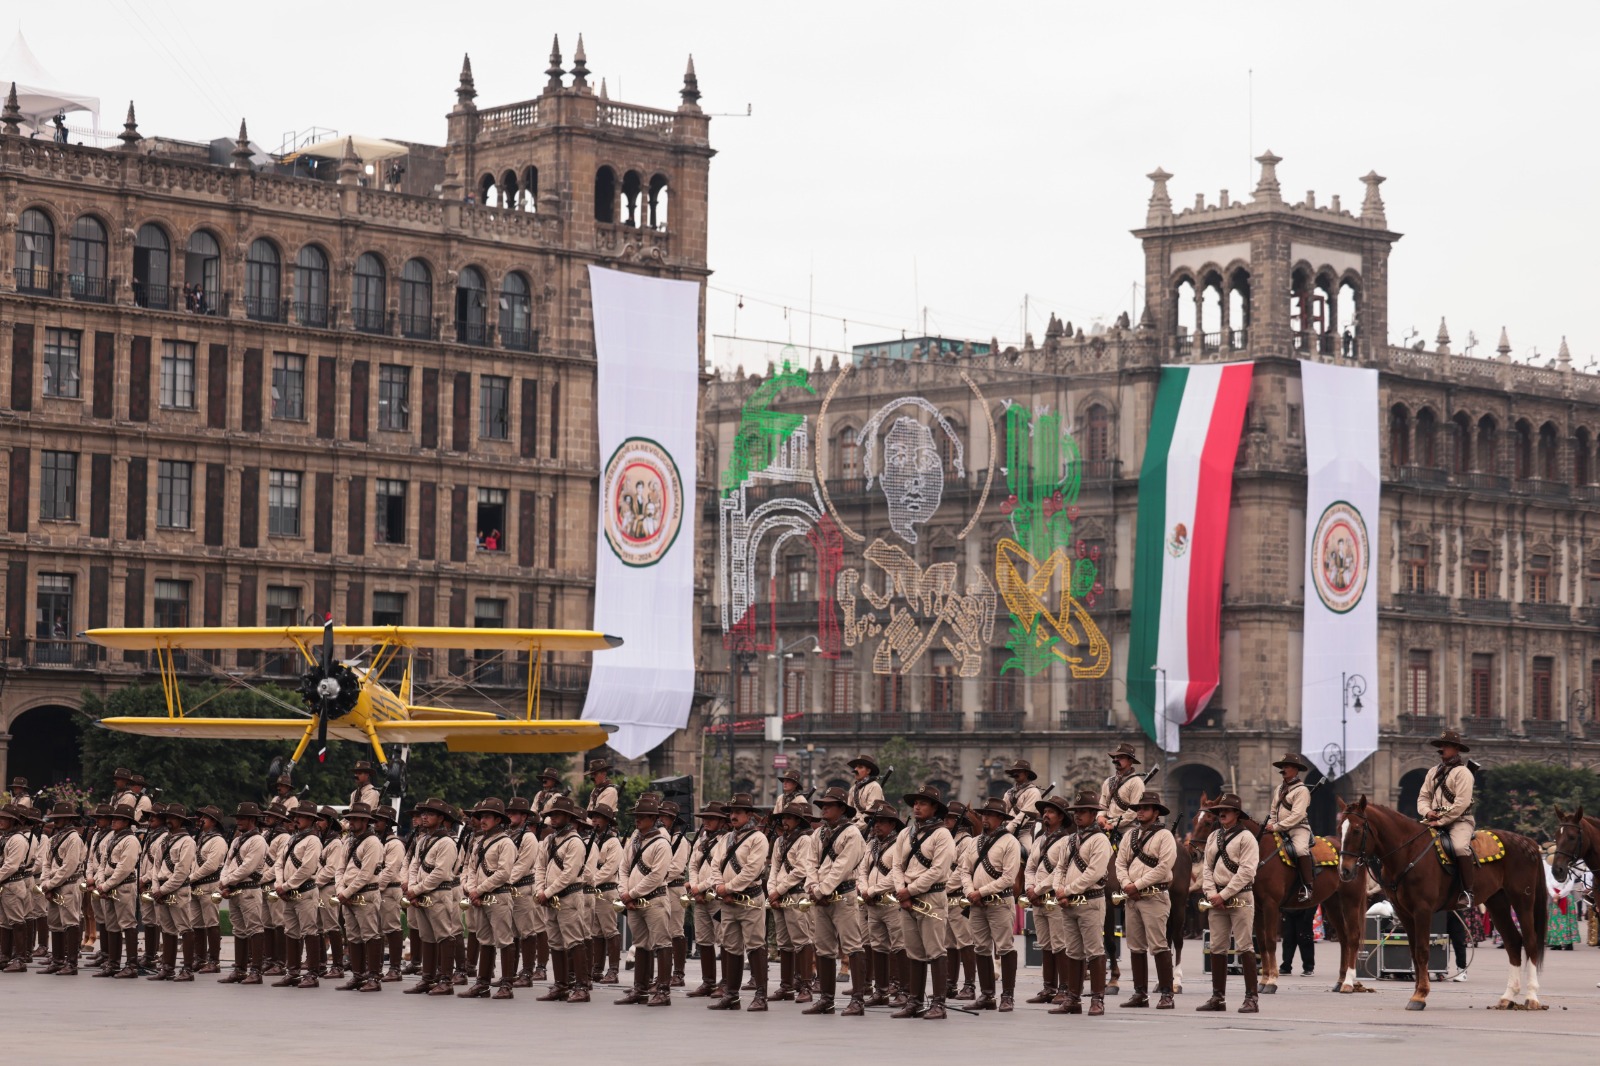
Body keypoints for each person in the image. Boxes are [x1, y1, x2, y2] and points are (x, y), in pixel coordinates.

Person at [892, 783, 955, 1020]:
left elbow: (938, 870)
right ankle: (915, 1002)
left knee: (936, 950)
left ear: (934, 808)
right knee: (914, 952)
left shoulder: (942, 834)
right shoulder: (904, 833)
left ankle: (939, 1004)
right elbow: (896, 866)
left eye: (923, 803)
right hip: (907, 897)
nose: (917, 807)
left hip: (932, 896)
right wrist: (901, 890)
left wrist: (910, 891)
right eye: (915, 803)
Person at [1050, 790, 1114, 1016]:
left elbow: (1093, 874)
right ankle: (1073, 998)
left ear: (1093, 813)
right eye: (1076, 812)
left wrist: (1066, 890)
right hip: (1068, 903)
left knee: (1095, 951)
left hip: (1090, 901)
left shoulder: (1100, 841)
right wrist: (1059, 889)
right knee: (1074, 952)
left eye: (1084, 812)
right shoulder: (1070, 840)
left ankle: (1097, 999)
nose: (1078, 816)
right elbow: (1060, 867)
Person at [804, 786, 867, 1016]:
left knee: (852, 946)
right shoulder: (818, 834)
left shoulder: (852, 834)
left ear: (841, 809)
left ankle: (858, 1000)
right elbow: (809, 863)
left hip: (843, 895)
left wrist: (820, 890)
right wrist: (812, 887)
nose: (823, 809)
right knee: (823, 948)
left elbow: (842, 867)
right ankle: (826, 999)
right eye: (822, 805)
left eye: (828, 806)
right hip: (820, 896)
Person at [1114, 790, 1178, 1008]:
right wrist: (1125, 884)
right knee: (1135, 947)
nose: (1140, 812)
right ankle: (1139, 993)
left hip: (1154, 896)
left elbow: (1163, 867)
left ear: (1156, 812)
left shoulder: (1165, 836)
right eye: (1138, 808)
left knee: (1159, 946)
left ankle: (1166, 994)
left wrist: (1136, 885)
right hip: (1132, 898)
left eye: (1145, 808)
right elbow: (1120, 863)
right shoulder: (1129, 836)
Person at [1198, 793, 1261, 1013]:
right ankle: (1218, 998)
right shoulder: (1213, 835)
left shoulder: (1247, 838)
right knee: (1216, 948)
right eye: (1219, 810)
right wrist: (1211, 893)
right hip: (1216, 899)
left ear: (1236, 814)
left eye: (1226, 810)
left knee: (1244, 946)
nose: (1221, 813)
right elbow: (1207, 867)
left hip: (1240, 896)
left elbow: (1247, 871)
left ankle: (1251, 998)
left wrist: (1222, 895)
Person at [707, 792, 769, 1012]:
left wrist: (728, 887)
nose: (733, 816)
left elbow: (752, 870)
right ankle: (732, 996)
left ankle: (761, 995)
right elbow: (715, 865)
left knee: (755, 945)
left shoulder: (758, 838)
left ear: (749, 815)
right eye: (731, 812)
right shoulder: (726, 839)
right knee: (730, 946)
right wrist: (718, 887)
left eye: (738, 812)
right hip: (727, 901)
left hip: (749, 899)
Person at [615, 796, 675, 1007]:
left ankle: (663, 991)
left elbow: (657, 876)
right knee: (640, 944)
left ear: (653, 818)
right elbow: (623, 868)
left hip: (654, 899)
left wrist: (631, 894)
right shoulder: (634, 841)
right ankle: (640, 989)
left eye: (641, 816)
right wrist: (624, 892)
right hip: (633, 900)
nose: (637, 820)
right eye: (636, 816)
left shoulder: (661, 843)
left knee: (662, 944)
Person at [962, 797, 1021, 1011]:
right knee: (981, 947)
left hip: (999, 901)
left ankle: (1007, 996)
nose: (984, 818)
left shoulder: (1010, 842)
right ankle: (987, 995)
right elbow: (964, 870)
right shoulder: (974, 842)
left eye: (990, 815)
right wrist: (970, 891)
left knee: (1005, 947)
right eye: (983, 814)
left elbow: (1008, 878)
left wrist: (980, 892)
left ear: (1001, 819)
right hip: (977, 903)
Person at [535, 795, 594, 1003]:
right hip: (549, 898)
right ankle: (560, 985)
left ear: (569, 817)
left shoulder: (575, 841)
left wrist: (546, 892)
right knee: (556, 943)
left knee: (574, 942)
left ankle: (581, 987)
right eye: (551, 814)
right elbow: (540, 867)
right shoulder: (549, 840)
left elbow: (569, 874)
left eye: (557, 814)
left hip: (568, 896)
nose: (553, 818)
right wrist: (539, 889)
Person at [401, 797, 462, 997]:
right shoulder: (423, 839)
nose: (424, 817)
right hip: (420, 892)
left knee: (444, 935)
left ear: (442, 818)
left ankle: (445, 980)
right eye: (423, 813)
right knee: (426, 936)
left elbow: (441, 873)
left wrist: (416, 889)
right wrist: (412, 887)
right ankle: (428, 978)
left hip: (438, 893)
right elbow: (414, 865)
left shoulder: (447, 842)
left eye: (430, 814)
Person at [458, 797, 517, 999]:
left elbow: (503, 873)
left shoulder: (506, 843)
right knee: (485, 940)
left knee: (504, 940)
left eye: (487, 817)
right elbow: (472, 868)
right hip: (480, 896)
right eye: (481, 816)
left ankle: (507, 985)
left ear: (498, 820)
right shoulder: (480, 842)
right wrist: (471, 889)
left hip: (498, 896)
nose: (482, 820)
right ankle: (482, 984)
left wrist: (478, 890)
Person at [1418, 729, 1477, 908]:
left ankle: (1467, 892)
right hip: (1433, 820)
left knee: (1459, 847)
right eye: (1442, 745)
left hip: (1460, 821)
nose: (1443, 748)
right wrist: (1427, 812)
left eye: (1447, 745)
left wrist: (1441, 821)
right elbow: (1422, 797)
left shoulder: (1463, 773)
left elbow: (1461, 803)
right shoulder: (1432, 772)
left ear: (1457, 749)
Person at [858, 800, 907, 1007]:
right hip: (872, 903)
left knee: (899, 945)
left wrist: (873, 890)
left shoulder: (900, 845)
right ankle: (881, 990)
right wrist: (863, 889)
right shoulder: (871, 844)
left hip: (891, 902)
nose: (876, 825)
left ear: (893, 825)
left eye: (881, 822)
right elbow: (862, 870)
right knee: (877, 945)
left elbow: (897, 874)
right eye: (874, 821)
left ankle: (903, 989)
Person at [1025, 794, 1072, 1006]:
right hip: (1037, 898)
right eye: (1044, 811)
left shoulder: (1066, 841)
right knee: (1045, 943)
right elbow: (1030, 867)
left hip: (1054, 896)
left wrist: (1039, 888)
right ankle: (1048, 987)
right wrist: (1029, 887)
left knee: (1059, 945)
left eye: (1051, 811)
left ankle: (1064, 988)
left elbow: (1060, 871)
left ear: (1061, 817)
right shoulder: (1039, 840)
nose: (1045, 815)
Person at [767, 798, 815, 1005]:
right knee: (784, 943)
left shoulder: (805, 841)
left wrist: (778, 890)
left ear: (798, 820)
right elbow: (774, 869)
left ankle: (805, 986)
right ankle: (786, 986)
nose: (784, 821)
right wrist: (771, 891)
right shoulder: (779, 841)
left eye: (788, 818)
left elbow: (801, 870)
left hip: (796, 894)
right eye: (783, 817)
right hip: (779, 895)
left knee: (802, 941)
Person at [218, 802, 270, 985]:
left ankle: (255, 971)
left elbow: (247, 867)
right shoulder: (236, 840)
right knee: (238, 930)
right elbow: (228, 863)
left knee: (254, 928)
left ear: (252, 820)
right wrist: (224, 880)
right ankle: (240, 970)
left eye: (242, 818)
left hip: (249, 888)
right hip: (234, 889)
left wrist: (226, 881)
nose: (238, 821)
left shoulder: (258, 840)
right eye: (237, 817)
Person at [274, 804, 323, 988]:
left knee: (309, 932)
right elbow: (280, 863)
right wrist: (280, 884)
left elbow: (307, 869)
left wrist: (285, 886)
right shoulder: (293, 838)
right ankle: (292, 972)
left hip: (305, 891)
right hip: (289, 892)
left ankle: (312, 974)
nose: (296, 819)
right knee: (291, 932)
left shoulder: (313, 840)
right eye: (296, 815)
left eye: (301, 816)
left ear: (311, 819)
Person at [91, 803, 142, 978]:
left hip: (124, 885)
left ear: (127, 822)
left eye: (118, 818)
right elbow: (102, 863)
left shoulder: (131, 840)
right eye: (113, 818)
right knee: (111, 924)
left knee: (127, 924)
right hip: (109, 884)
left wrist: (105, 885)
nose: (113, 821)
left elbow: (124, 868)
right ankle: (112, 963)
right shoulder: (112, 837)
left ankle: (131, 965)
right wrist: (100, 881)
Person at [148, 804, 198, 981]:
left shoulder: (188, 842)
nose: (168, 820)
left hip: (178, 889)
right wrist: (156, 887)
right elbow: (156, 866)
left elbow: (182, 872)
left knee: (185, 928)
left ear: (181, 820)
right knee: (167, 929)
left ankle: (187, 969)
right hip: (161, 889)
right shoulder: (164, 840)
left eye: (172, 817)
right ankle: (167, 968)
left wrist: (162, 890)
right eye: (167, 817)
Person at [685, 800, 728, 998]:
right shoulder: (701, 840)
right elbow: (692, 865)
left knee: (725, 940)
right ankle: (708, 982)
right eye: (705, 818)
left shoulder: (726, 840)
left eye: (712, 818)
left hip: (716, 896)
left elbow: (719, 870)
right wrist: (695, 888)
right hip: (700, 896)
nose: (707, 822)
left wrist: (699, 888)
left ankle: (726, 982)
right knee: (703, 940)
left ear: (721, 821)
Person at [37, 802, 86, 976]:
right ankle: (57, 960)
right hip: (54, 886)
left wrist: (49, 884)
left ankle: (71, 963)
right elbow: (46, 863)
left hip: (69, 885)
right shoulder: (53, 838)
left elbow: (69, 867)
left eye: (58, 819)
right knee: (55, 922)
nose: (55, 821)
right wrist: (45, 883)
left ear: (68, 819)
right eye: (54, 819)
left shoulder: (74, 839)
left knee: (71, 922)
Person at [1263, 752, 1315, 902]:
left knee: (1300, 849)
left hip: (1298, 828)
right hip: (1278, 827)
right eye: (1282, 766)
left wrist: (1277, 826)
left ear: (1295, 770)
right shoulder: (1278, 789)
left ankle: (1307, 887)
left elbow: (1297, 815)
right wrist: (1272, 823)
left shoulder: (1302, 790)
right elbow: (1273, 809)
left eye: (1286, 766)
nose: (1283, 769)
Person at [505, 797, 542, 986]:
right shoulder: (508, 835)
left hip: (522, 887)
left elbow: (522, 866)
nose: (510, 815)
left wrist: (503, 882)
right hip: (508, 888)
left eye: (514, 812)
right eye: (509, 812)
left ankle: (527, 973)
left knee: (526, 931)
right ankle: (510, 973)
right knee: (511, 932)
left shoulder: (528, 837)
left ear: (525, 816)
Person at [942, 801, 977, 1000]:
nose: (945, 821)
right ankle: (950, 983)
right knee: (949, 943)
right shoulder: (944, 839)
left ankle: (969, 985)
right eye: (945, 818)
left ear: (959, 821)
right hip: (944, 898)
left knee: (965, 942)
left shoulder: (967, 842)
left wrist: (943, 889)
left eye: (950, 818)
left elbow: (961, 870)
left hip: (958, 896)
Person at [585, 804, 623, 984]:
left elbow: (609, 868)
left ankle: (613, 970)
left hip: (607, 890)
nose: (594, 820)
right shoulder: (592, 840)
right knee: (596, 932)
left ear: (607, 821)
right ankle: (597, 968)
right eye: (592, 817)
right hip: (594, 891)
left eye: (598, 817)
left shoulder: (613, 842)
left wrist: (591, 881)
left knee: (610, 931)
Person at [189, 806, 228, 974]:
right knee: (196, 923)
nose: (200, 820)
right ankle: (200, 958)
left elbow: (211, 866)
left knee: (212, 922)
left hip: (210, 885)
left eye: (204, 817)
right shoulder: (201, 838)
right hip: (197, 885)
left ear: (213, 821)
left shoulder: (217, 841)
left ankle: (214, 961)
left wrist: (190, 878)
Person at [374, 805, 407, 981]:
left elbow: (390, 869)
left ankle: (395, 968)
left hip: (389, 888)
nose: (374, 823)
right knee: (376, 929)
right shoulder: (377, 842)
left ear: (387, 823)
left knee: (392, 927)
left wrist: (375, 887)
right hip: (377, 889)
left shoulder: (394, 844)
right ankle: (375, 965)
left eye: (378, 820)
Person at [0, 805, 34, 971]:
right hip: (5, 884)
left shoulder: (18, 840)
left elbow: (11, 866)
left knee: (17, 921)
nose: (1, 820)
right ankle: (4, 956)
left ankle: (20, 959)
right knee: (5, 922)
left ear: (13, 821)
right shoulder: (6, 837)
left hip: (13, 884)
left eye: (4, 818)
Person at [1000, 760, 1043, 837]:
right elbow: (1003, 811)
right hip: (1006, 827)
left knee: (1028, 849)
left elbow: (1024, 814)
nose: (1015, 774)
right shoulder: (1009, 793)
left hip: (1026, 831)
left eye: (1018, 771)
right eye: (1014, 771)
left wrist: (1008, 830)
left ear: (1026, 773)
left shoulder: (1033, 792)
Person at [845, 755, 885, 826]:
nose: (856, 769)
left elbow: (870, 814)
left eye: (860, 767)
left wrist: (854, 828)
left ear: (868, 771)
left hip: (869, 826)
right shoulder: (853, 789)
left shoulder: (874, 786)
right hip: (853, 825)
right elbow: (848, 812)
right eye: (855, 767)